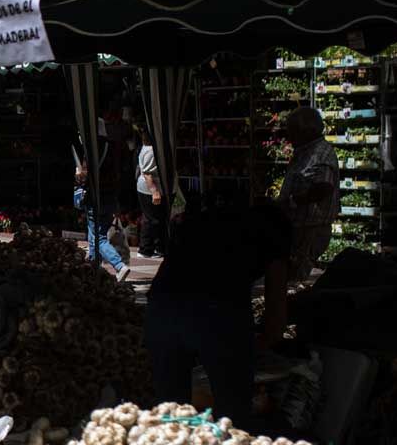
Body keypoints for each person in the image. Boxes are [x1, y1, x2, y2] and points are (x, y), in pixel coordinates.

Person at [145, 198, 291, 427]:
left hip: (163, 305)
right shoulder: (274, 236)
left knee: (169, 412)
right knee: (233, 415)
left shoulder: (208, 220)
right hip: (218, 310)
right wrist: (259, 350)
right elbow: (276, 320)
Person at [277, 106, 339, 282]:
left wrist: (293, 201)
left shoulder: (319, 153)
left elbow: (324, 186)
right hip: (302, 228)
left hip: (309, 230)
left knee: (294, 278)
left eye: (292, 131)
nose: (289, 136)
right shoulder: (307, 151)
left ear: (306, 131)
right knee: (292, 275)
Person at [75, 153, 129, 283]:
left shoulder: (90, 152)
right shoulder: (109, 152)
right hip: (110, 200)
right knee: (94, 236)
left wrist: (79, 176)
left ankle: (119, 265)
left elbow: (85, 177)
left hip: (95, 201)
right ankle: (93, 267)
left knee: (99, 238)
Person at [135, 126, 165, 258]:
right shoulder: (151, 150)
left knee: (154, 218)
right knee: (151, 219)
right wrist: (155, 191)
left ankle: (156, 248)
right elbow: (147, 173)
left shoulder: (150, 148)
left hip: (152, 187)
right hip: (149, 189)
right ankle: (146, 249)